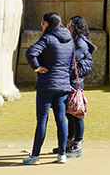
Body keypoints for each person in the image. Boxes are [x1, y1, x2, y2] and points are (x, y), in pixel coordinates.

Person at [24, 12, 74, 165]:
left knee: (42, 120)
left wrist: (37, 67)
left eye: (42, 23)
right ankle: (62, 154)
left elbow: (30, 52)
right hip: (63, 85)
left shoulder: (47, 38)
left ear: (48, 23)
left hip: (47, 84)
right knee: (61, 120)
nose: (41, 25)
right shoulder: (69, 40)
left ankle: (35, 156)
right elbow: (72, 64)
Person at [57, 16, 95, 158]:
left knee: (77, 114)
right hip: (70, 81)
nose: (68, 27)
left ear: (76, 26)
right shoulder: (75, 41)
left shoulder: (80, 43)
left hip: (75, 82)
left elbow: (71, 60)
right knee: (70, 114)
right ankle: (69, 142)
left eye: (70, 24)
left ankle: (77, 145)